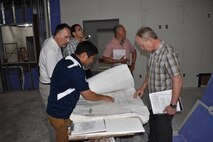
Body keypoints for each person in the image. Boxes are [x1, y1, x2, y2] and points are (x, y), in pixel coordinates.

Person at [47, 41, 114, 142]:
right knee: (63, 137)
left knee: (74, 132)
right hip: (59, 114)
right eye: (92, 58)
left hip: (55, 106)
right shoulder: (76, 70)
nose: (92, 61)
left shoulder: (66, 60)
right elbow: (88, 95)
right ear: (84, 55)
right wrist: (104, 97)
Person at [134, 27, 183, 142]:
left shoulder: (168, 53)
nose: (141, 48)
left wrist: (173, 106)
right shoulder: (152, 52)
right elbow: (150, 73)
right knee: (154, 129)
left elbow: (178, 80)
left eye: (142, 45)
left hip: (165, 103)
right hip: (154, 100)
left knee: (163, 132)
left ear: (149, 40)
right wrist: (142, 88)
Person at [39, 23, 71, 107]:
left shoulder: (53, 41)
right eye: (66, 37)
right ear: (57, 35)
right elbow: (54, 76)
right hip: (49, 86)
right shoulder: (51, 51)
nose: (68, 41)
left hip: (52, 83)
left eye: (69, 37)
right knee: (54, 111)